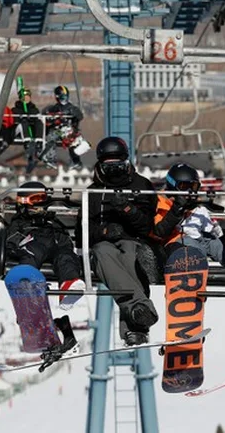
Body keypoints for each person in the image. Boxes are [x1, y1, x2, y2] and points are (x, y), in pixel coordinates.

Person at [75, 136, 158, 346]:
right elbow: (81, 233)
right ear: (100, 166)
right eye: (109, 167)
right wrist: (104, 230)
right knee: (103, 252)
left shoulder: (142, 186)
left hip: (134, 241)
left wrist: (127, 209)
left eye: (119, 167)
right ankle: (139, 315)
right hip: (102, 244)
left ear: (127, 163)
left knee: (130, 256)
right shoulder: (93, 192)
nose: (114, 172)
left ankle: (135, 322)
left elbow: (146, 226)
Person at [0, 181, 86, 310]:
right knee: (33, 252)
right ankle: (28, 285)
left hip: (53, 247)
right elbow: (11, 240)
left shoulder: (51, 221)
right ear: (24, 201)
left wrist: (63, 243)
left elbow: (64, 239)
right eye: (36, 199)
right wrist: (21, 242)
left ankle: (69, 283)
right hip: (32, 245)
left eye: (44, 199)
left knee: (65, 256)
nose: (41, 204)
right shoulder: (20, 222)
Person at [151, 162, 225, 266]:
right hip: (176, 240)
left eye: (194, 186)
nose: (189, 192)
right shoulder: (160, 204)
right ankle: (199, 271)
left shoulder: (197, 205)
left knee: (217, 245)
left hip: (199, 237)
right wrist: (177, 209)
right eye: (184, 187)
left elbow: (211, 229)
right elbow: (158, 233)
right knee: (194, 247)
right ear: (173, 186)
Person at [40, 85, 85, 170]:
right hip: (58, 131)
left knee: (72, 140)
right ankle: (51, 159)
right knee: (51, 137)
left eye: (65, 96)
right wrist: (50, 117)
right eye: (62, 97)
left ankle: (76, 161)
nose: (64, 99)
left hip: (69, 130)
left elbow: (80, 116)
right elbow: (44, 116)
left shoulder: (72, 108)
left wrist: (71, 113)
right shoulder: (53, 108)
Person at [11, 87, 42, 173]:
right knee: (23, 123)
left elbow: (37, 117)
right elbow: (14, 119)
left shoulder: (34, 109)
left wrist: (31, 117)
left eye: (28, 97)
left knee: (39, 123)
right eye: (25, 97)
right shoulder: (15, 109)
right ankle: (27, 145)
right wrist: (22, 116)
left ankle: (38, 144)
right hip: (18, 131)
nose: (27, 99)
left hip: (31, 131)